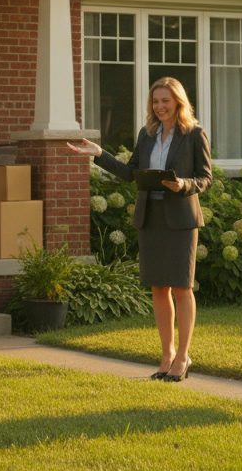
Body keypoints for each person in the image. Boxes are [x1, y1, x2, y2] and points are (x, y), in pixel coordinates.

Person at [68, 77, 212, 382]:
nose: (160, 107)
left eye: (165, 101)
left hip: (181, 220)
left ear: (178, 102)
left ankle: (184, 357)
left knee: (181, 288)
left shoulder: (195, 134)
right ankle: (166, 355)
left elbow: (205, 178)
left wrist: (184, 184)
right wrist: (99, 154)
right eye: (155, 101)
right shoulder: (147, 135)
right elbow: (131, 173)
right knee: (159, 288)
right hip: (151, 219)